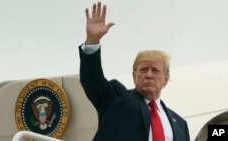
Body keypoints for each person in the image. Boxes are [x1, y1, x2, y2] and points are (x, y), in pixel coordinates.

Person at [79, 1, 190, 141]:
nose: (149, 75)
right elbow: (92, 80)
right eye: (143, 70)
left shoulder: (180, 124)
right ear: (134, 76)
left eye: (155, 70)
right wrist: (92, 42)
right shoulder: (117, 99)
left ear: (166, 79)